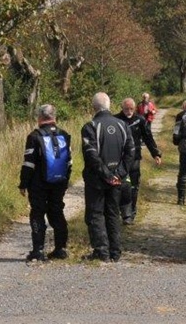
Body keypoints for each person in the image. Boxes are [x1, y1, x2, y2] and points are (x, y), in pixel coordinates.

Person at [80, 91, 134, 262]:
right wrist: (118, 174)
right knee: (113, 213)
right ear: (110, 105)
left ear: (93, 107)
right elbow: (130, 152)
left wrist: (107, 175)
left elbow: (91, 155)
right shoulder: (122, 125)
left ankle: (101, 252)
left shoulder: (90, 127)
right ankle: (115, 252)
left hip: (97, 181)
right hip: (116, 180)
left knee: (95, 214)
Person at [18, 103, 72, 262]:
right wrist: (65, 181)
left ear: (40, 117)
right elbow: (69, 162)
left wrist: (23, 184)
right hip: (59, 182)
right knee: (57, 211)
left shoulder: (34, 136)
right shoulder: (64, 134)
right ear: (54, 117)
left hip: (38, 184)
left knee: (37, 213)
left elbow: (29, 164)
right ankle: (60, 249)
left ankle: (38, 250)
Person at [116, 97, 162, 224]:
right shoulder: (116, 120)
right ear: (122, 108)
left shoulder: (140, 120)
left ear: (135, 108)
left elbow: (148, 137)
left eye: (131, 109)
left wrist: (156, 154)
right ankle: (123, 212)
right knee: (120, 185)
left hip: (135, 157)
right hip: (119, 159)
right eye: (126, 109)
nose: (129, 111)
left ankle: (132, 212)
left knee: (134, 186)